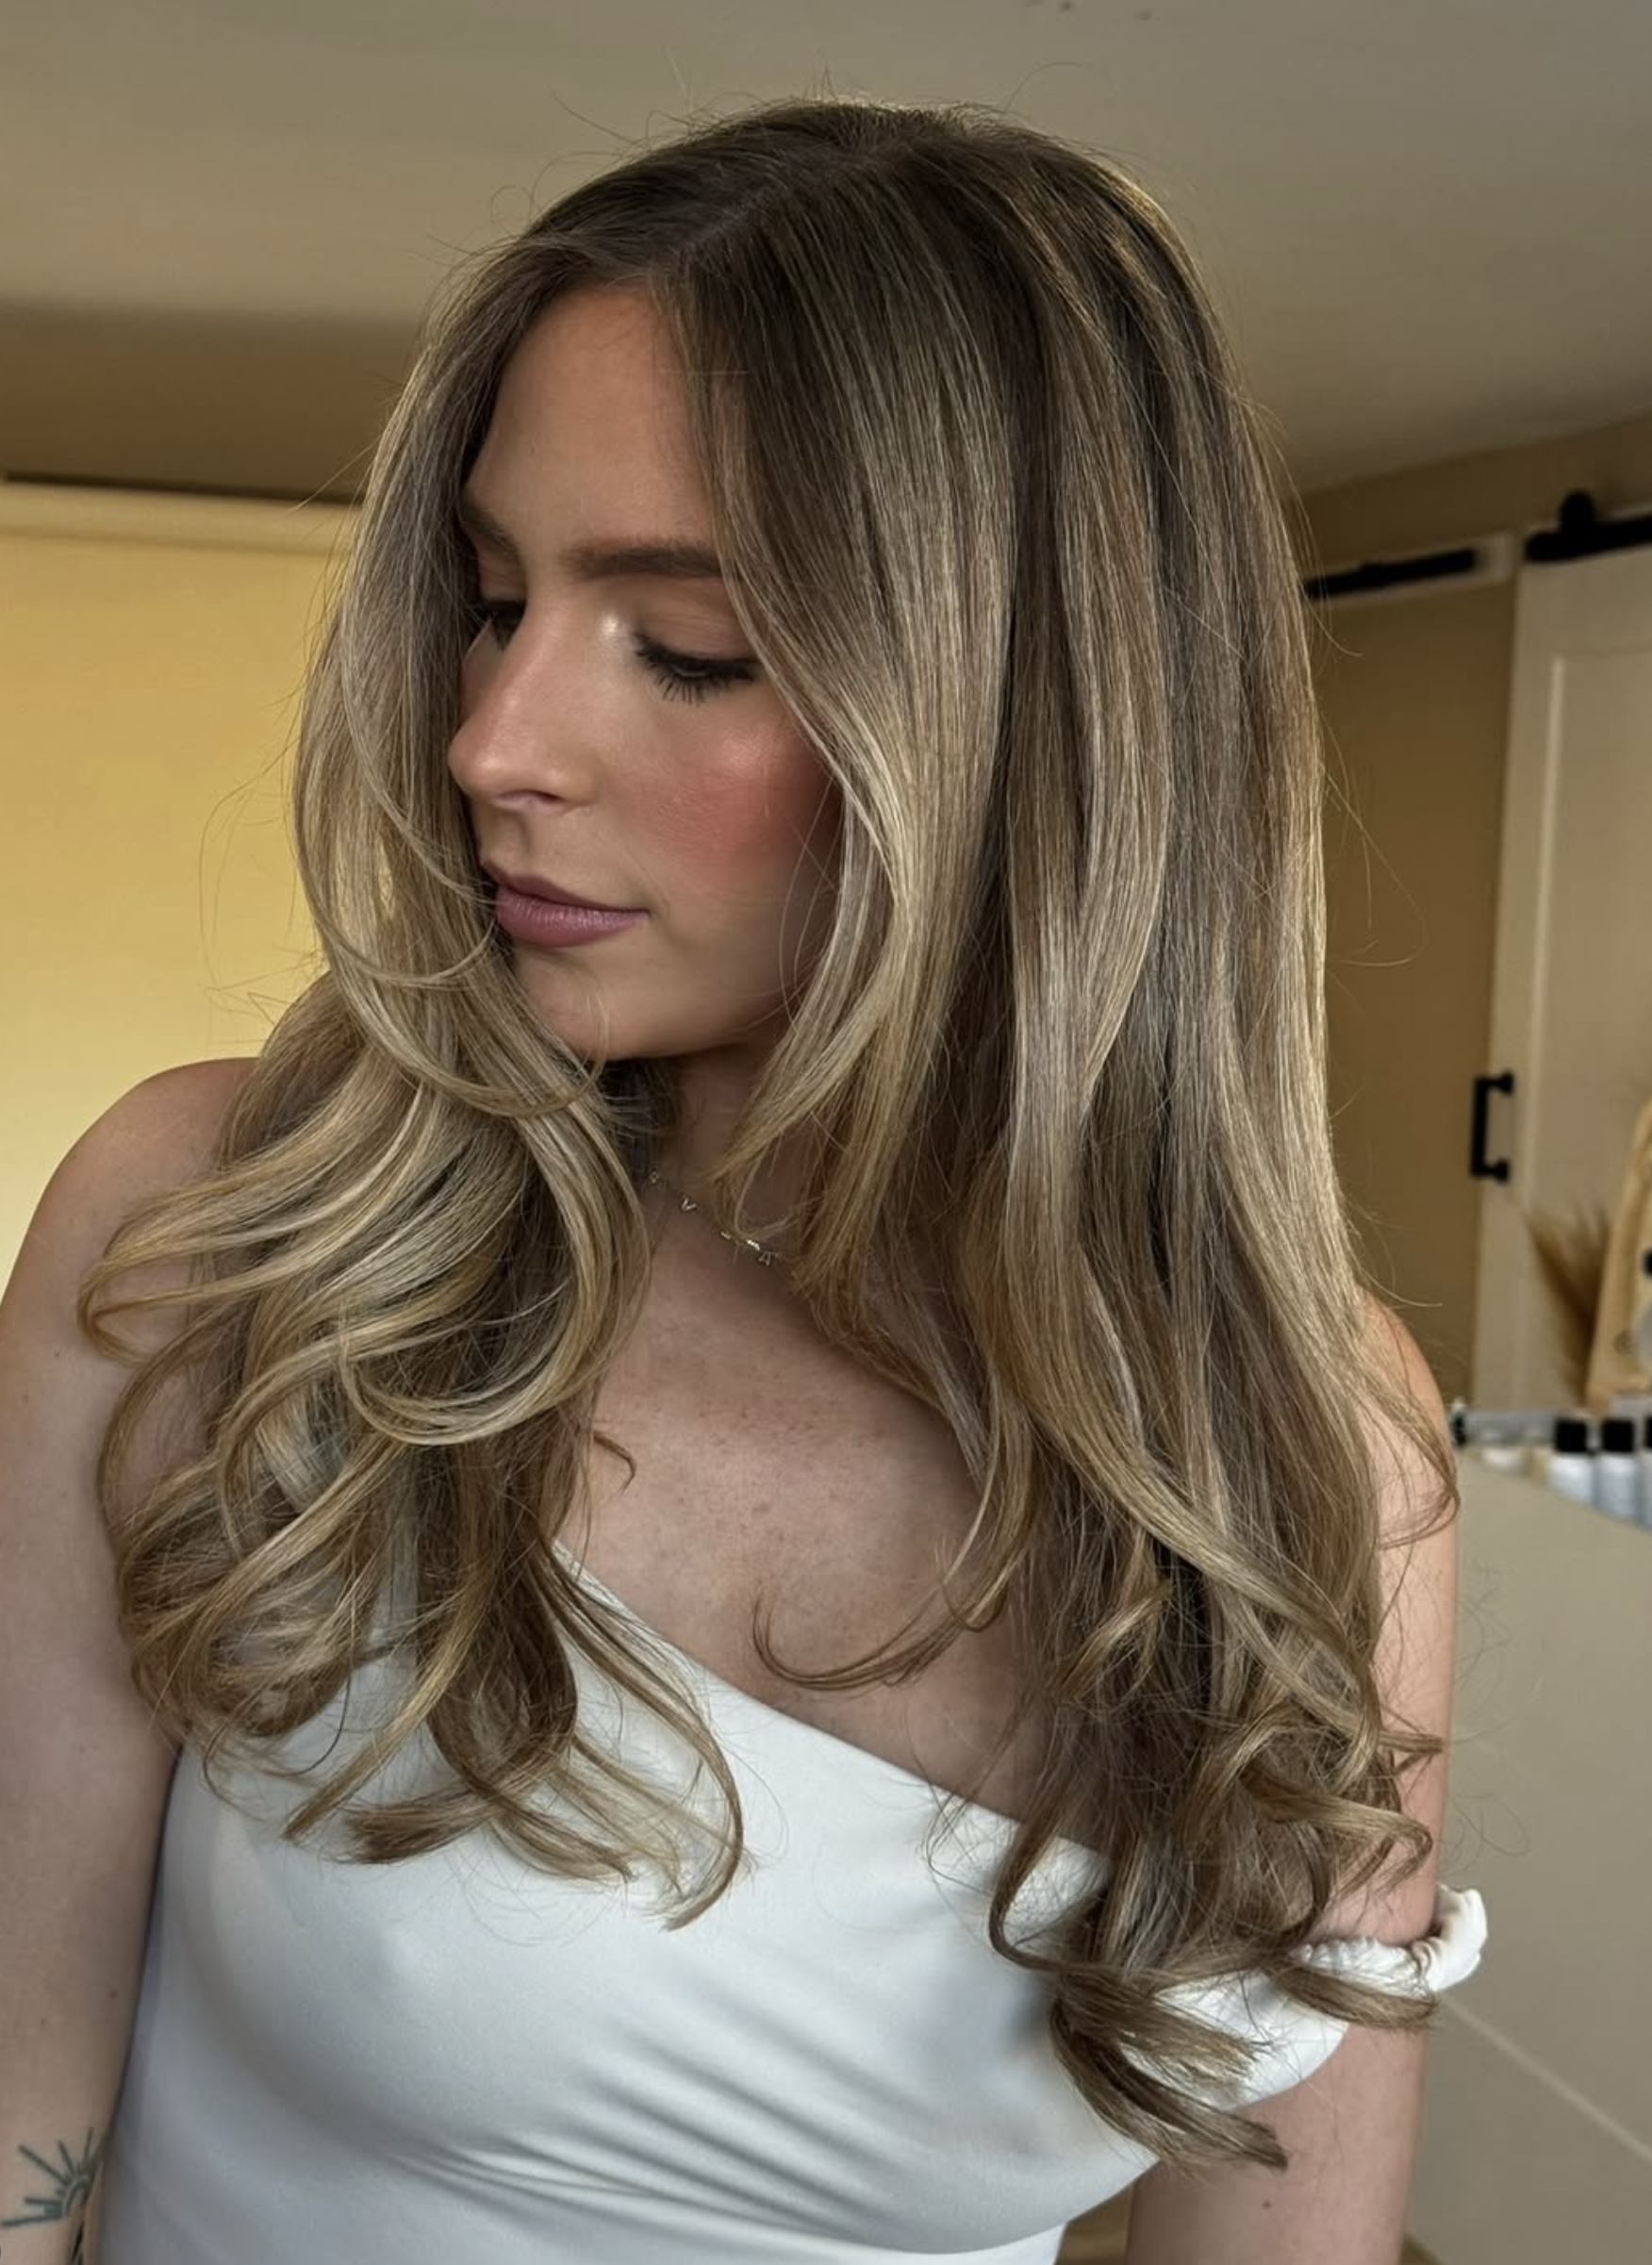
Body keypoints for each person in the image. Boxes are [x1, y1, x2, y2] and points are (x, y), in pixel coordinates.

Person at [1, 92, 1487, 2265]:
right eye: (493, 602)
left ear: (1027, 729)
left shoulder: (1316, 1453)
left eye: (678, 645)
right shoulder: (226, 1231)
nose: (491, 739)